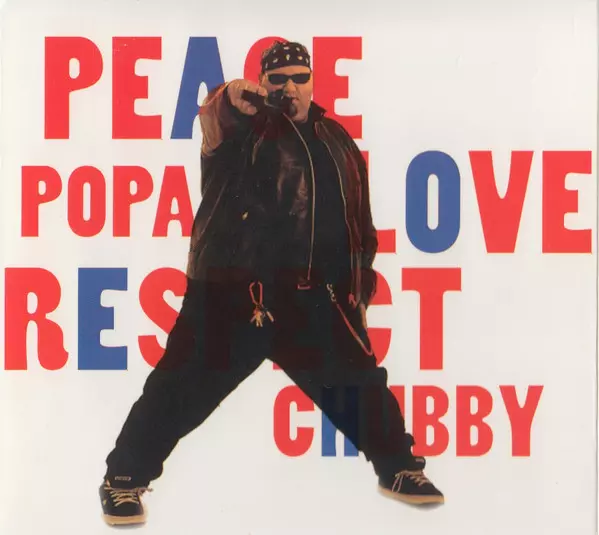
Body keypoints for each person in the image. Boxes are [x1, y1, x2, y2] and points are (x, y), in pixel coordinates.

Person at [99, 39, 444, 527]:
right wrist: (231, 97)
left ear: (313, 81)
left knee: (362, 384)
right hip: (232, 296)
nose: (290, 88)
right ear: (263, 84)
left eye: (300, 78)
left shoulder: (336, 139)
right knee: (177, 389)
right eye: (277, 80)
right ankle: (123, 480)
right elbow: (215, 115)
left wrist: (359, 285)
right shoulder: (243, 128)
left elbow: (358, 220)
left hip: (311, 297)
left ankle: (401, 469)